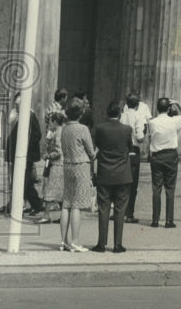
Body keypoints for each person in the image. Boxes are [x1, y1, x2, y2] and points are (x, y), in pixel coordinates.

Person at [91, 100, 133, 253]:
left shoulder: (100, 128)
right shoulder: (127, 129)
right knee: (120, 210)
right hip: (122, 174)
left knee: (103, 208)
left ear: (107, 113)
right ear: (120, 114)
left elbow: (96, 147)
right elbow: (130, 147)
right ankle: (117, 244)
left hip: (105, 173)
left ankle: (101, 243)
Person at [59, 98, 97, 252]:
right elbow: (91, 152)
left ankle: (63, 241)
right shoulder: (83, 129)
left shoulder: (64, 129)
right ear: (81, 113)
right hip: (81, 166)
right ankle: (75, 241)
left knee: (66, 203)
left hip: (67, 165)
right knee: (77, 205)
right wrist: (97, 151)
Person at [148, 97, 181, 228]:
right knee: (170, 189)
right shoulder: (174, 121)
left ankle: (155, 219)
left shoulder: (152, 122)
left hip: (157, 156)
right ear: (169, 108)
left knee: (156, 188)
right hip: (170, 155)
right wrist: (177, 102)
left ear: (157, 108)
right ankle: (169, 220)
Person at [6, 92, 44, 217]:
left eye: (19, 104)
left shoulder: (30, 115)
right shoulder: (19, 115)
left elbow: (37, 135)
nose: (16, 107)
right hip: (19, 155)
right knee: (26, 183)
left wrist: (26, 148)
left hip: (25, 156)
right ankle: (37, 204)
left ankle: (18, 206)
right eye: (16, 104)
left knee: (23, 182)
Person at [119, 91, 151, 223]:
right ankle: (129, 213)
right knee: (133, 184)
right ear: (137, 105)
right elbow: (140, 138)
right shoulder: (138, 117)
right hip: (133, 150)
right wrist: (143, 133)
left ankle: (120, 210)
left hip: (122, 151)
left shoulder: (122, 116)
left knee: (121, 183)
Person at [38, 109, 65, 224]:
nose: (49, 123)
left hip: (57, 164)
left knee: (50, 188)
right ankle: (63, 216)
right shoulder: (57, 131)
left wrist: (49, 155)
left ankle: (46, 215)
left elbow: (59, 151)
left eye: (50, 121)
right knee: (60, 191)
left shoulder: (58, 133)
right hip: (59, 164)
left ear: (54, 121)